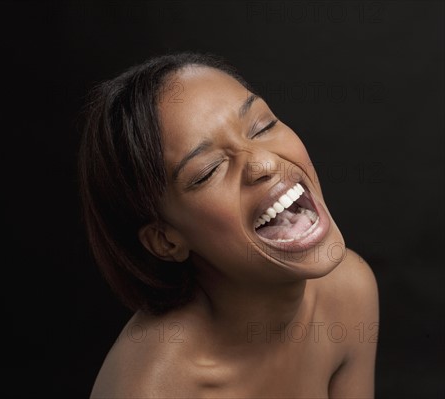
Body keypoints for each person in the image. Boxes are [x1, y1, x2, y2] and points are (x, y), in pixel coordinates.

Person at [78, 52, 379, 398]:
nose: (263, 162)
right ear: (166, 240)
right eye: (208, 170)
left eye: (262, 126)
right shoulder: (153, 389)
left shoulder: (349, 292)